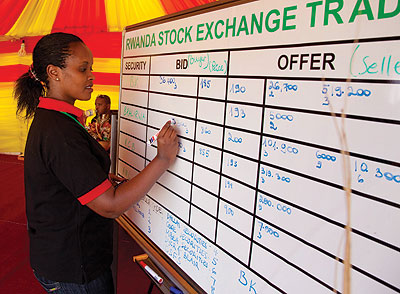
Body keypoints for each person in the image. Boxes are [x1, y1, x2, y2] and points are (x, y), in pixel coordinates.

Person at [14, 32, 178, 294]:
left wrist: (97, 176)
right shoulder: (59, 132)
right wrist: (162, 159)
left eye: (91, 67)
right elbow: (110, 206)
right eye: (82, 69)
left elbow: (65, 180)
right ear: (53, 72)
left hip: (61, 259)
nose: (92, 76)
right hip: (74, 269)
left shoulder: (56, 119)